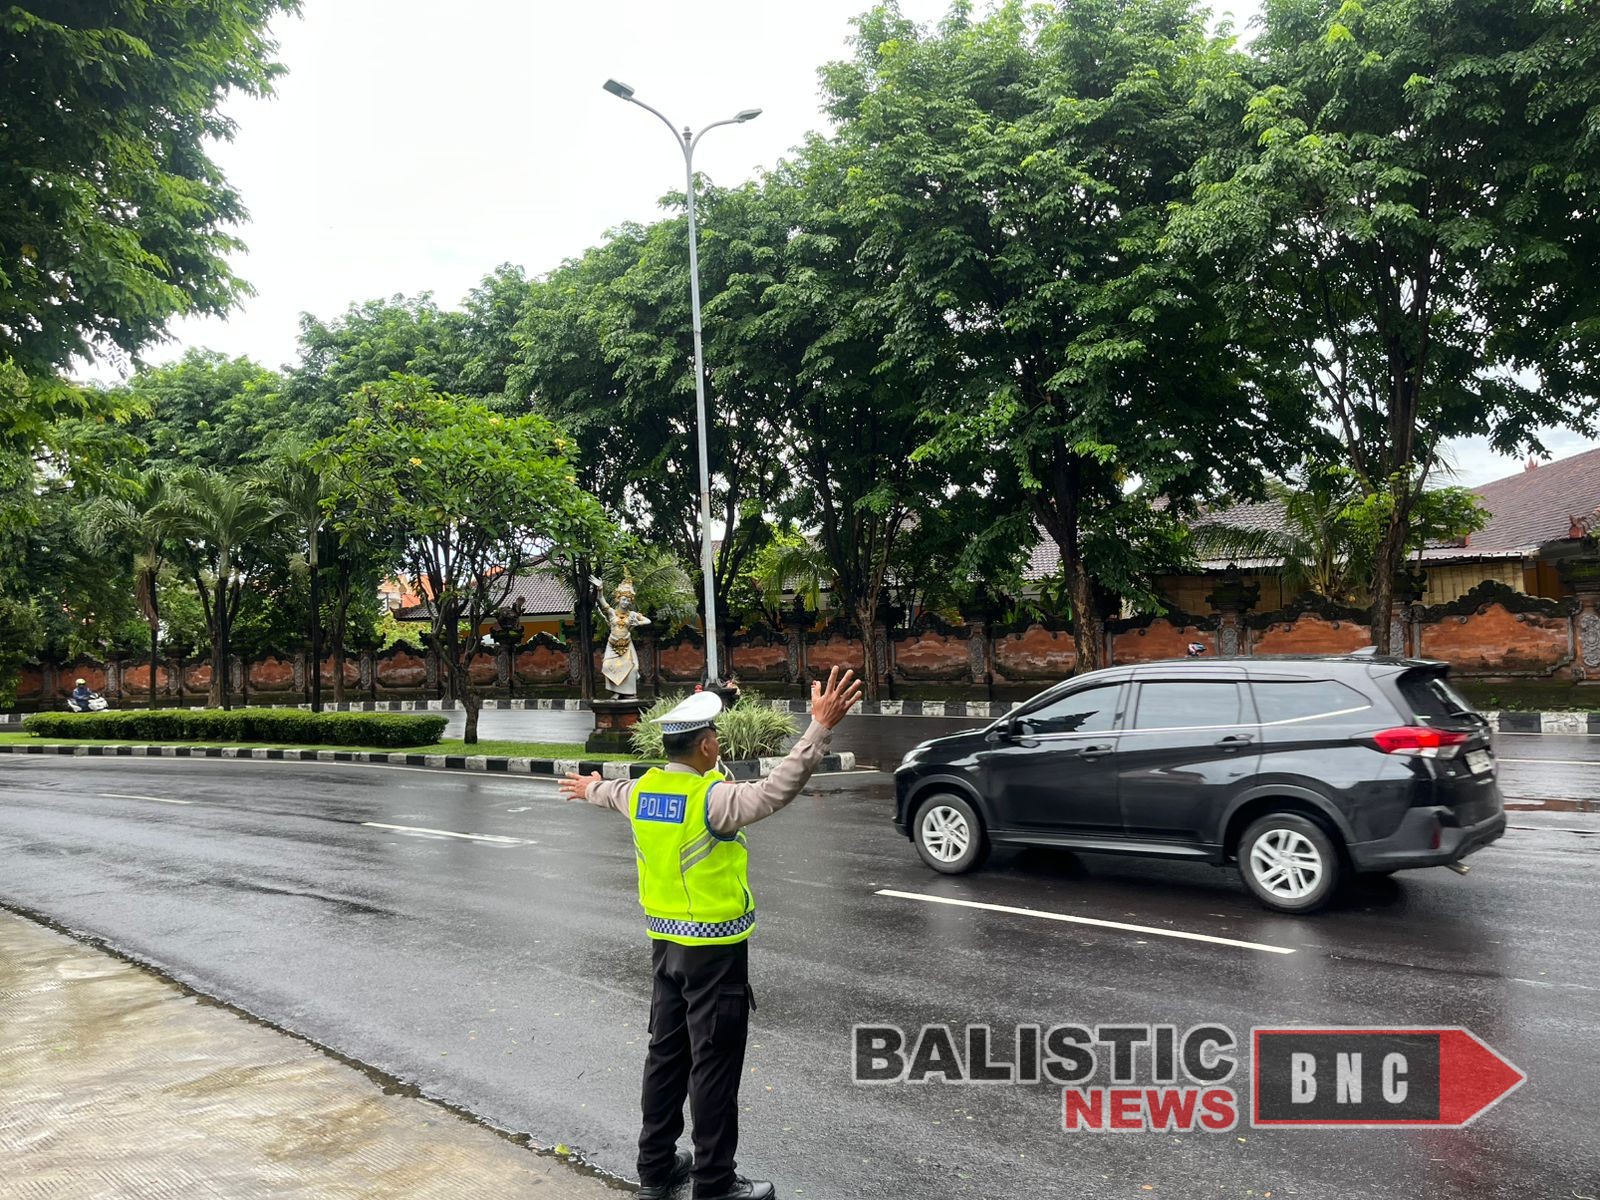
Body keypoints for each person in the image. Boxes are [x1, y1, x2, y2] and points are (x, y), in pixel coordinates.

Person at [558, 666, 863, 1200]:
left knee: (666, 1056)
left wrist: (590, 789)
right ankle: (715, 1183)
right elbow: (776, 789)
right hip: (714, 955)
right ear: (705, 745)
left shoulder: (645, 791)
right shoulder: (712, 802)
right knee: (714, 1068)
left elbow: (611, 792)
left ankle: (656, 1168)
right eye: (715, 736)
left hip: (665, 949)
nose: (718, 742)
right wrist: (819, 727)